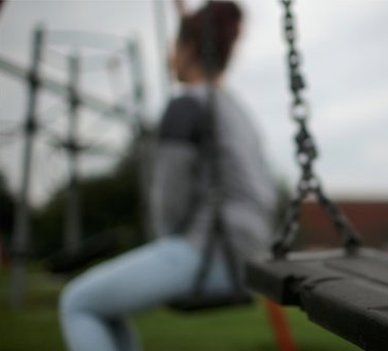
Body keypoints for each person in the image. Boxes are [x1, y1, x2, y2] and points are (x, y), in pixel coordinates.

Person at [59, 2, 277, 350]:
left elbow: (169, 198)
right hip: (252, 255)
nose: (169, 54)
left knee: (78, 302)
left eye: (174, 46)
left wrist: (167, 241)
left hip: (209, 252)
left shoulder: (186, 106)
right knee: (108, 309)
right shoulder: (235, 109)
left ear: (188, 49)